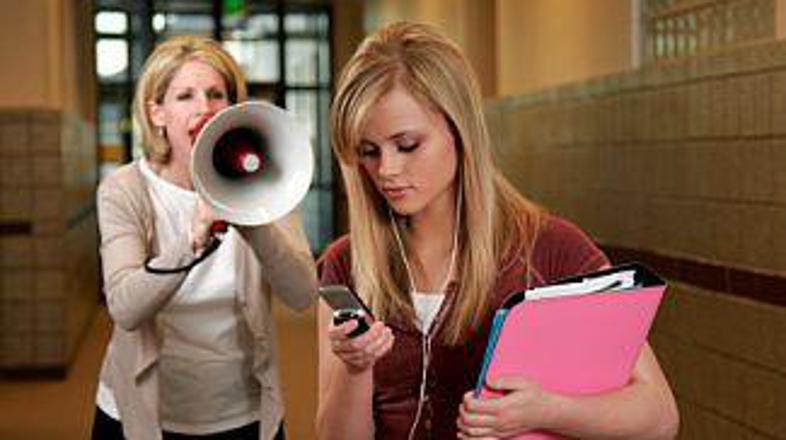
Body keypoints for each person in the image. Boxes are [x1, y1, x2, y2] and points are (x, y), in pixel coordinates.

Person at [316, 22, 679, 440]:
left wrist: (545, 411)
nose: (387, 170)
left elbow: (658, 416)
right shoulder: (347, 263)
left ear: (460, 131)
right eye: (368, 151)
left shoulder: (551, 250)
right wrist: (355, 368)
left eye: (408, 144)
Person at [91, 35, 317, 440]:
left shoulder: (264, 180)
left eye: (217, 94)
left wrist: (254, 220)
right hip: (145, 411)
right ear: (157, 112)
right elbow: (125, 307)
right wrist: (190, 243)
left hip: (242, 411)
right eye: (185, 96)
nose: (205, 108)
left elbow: (302, 294)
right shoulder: (124, 189)